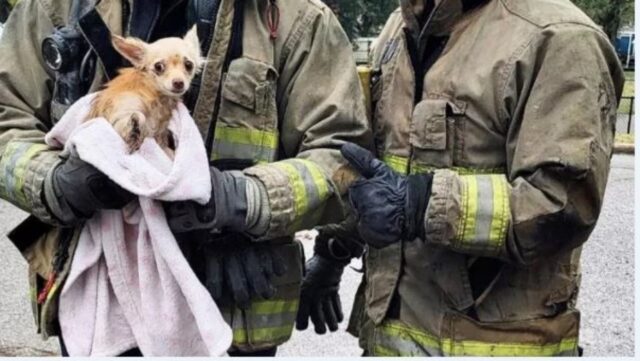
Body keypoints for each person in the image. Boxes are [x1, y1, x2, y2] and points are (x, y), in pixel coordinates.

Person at [0, 0, 370, 356]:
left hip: (233, 307)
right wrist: (53, 182)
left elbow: (341, 154)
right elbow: (7, 118)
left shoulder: (297, 18)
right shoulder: (56, 7)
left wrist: (242, 199)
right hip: (94, 302)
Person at [296, 0, 625, 356]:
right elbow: (378, 172)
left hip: (497, 343)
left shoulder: (560, 37)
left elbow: (562, 203)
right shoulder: (400, 28)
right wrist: (333, 253)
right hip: (389, 341)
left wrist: (421, 203)